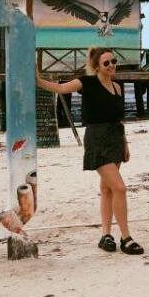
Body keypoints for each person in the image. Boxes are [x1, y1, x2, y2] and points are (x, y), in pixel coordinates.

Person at [37, 47, 143, 255]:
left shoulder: (117, 88)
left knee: (107, 189)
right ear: (96, 67)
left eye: (113, 61)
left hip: (115, 139)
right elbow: (60, 89)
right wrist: (38, 80)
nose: (111, 65)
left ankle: (106, 236)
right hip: (97, 140)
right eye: (106, 63)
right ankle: (126, 237)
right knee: (120, 188)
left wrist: (125, 143)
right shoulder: (87, 83)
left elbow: (118, 119)